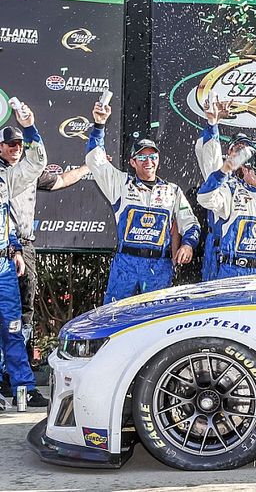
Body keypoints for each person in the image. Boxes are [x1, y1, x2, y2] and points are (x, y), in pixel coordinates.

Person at [87, 103, 199, 303]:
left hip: (159, 266)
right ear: (133, 162)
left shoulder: (172, 191)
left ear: (158, 159)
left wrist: (188, 245)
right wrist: (99, 125)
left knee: (155, 320)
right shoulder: (121, 184)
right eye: (142, 157)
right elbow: (95, 161)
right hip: (126, 263)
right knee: (116, 317)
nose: (149, 161)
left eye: (153, 156)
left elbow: (190, 223)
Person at [1, 131, 89, 348]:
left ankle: (22, 354)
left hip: (25, 245)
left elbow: (61, 180)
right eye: (11, 143)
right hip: (2, 245)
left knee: (26, 303)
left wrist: (88, 168)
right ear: (0, 146)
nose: (16, 147)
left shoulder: (28, 171)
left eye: (20, 144)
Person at [0, 105, 48, 408]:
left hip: (4, 262)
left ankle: (23, 386)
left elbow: (37, 163)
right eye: (11, 143)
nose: (15, 149)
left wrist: (30, 128)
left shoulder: (6, 177)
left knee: (13, 326)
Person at [197, 149, 256, 277]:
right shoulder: (231, 191)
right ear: (245, 169)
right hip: (232, 270)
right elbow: (204, 198)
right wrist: (223, 171)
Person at [194, 98, 254, 281]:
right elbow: (207, 152)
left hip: (250, 251)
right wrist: (213, 123)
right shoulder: (220, 173)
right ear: (228, 152)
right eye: (237, 148)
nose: (240, 154)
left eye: (245, 150)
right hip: (219, 248)